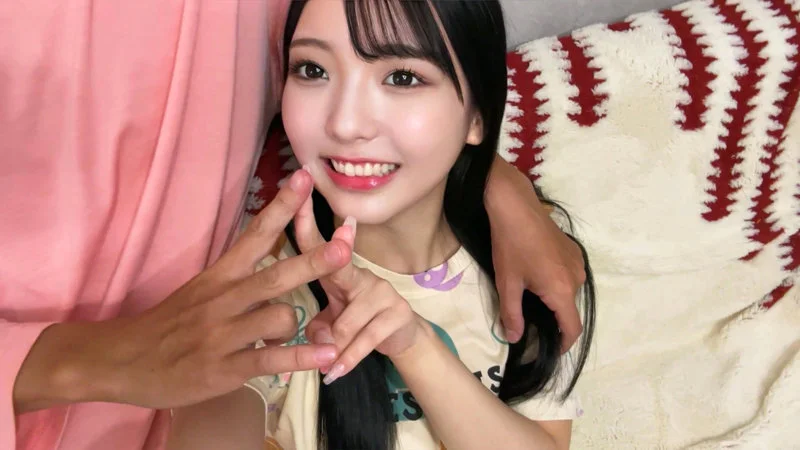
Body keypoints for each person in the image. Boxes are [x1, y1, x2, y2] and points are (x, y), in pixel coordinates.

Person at [1, 1, 586, 449]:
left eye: (403, 78)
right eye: (311, 69)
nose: (346, 123)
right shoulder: (260, 300)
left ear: (480, 113)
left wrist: (414, 345)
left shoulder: (525, 269)